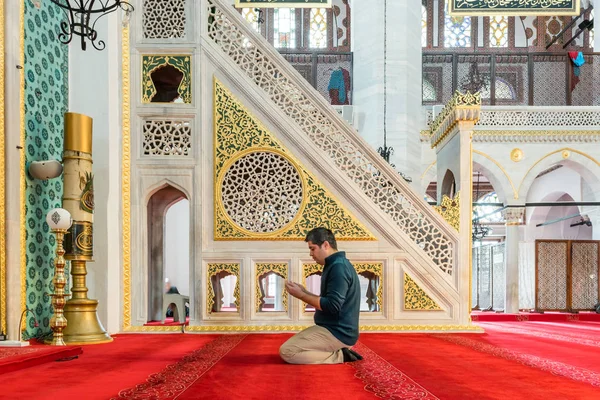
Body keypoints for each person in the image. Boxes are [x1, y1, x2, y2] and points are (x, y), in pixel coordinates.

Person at [279, 227, 363, 364]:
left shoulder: (338, 267)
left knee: (287, 351)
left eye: (312, 249)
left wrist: (301, 295)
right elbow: (329, 301)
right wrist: (304, 292)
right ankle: (337, 351)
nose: (311, 254)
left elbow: (332, 306)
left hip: (339, 333)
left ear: (325, 245)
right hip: (333, 329)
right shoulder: (335, 264)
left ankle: (341, 356)